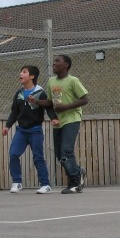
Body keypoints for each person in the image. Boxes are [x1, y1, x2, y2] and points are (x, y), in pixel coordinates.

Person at [31, 54, 89, 194]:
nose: (54, 63)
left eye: (58, 61)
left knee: (66, 151)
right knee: (59, 155)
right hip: (59, 121)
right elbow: (51, 102)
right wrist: (37, 101)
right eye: (54, 61)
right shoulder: (51, 81)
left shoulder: (73, 80)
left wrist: (66, 107)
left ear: (66, 65)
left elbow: (85, 99)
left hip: (72, 118)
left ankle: (75, 183)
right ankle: (77, 172)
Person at [3, 65, 57, 194]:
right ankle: (17, 182)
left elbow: (48, 107)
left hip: (35, 130)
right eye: (21, 71)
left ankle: (45, 184)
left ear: (32, 76)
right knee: (13, 154)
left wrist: (53, 118)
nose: (20, 74)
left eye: (24, 72)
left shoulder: (40, 92)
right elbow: (14, 112)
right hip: (21, 130)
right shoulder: (19, 93)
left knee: (38, 157)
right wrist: (7, 126)